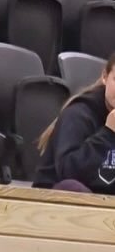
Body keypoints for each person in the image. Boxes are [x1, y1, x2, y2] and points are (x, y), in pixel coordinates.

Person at [33, 52, 115, 194]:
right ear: (104, 77)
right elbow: (69, 172)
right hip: (52, 199)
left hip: (103, 202)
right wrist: (108, 134)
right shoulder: (78, 114)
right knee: (72, 186)